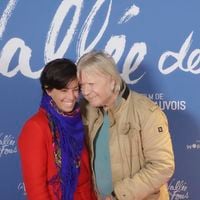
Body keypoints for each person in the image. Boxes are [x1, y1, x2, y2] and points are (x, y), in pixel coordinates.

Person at [77, 51, 175, 200]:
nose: (85, 92)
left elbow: (162, 166)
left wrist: (119, 194)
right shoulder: (86, 110)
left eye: (91, 84)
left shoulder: (147, 112)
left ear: (112, 81)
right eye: (82, 85)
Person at [18, 58, 97, 200]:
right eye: (64, 90)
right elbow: (36, 191)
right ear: (48, 90)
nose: (71, 97)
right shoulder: (35, 127)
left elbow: (87, 177)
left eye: (75, 90)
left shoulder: (77, 119)